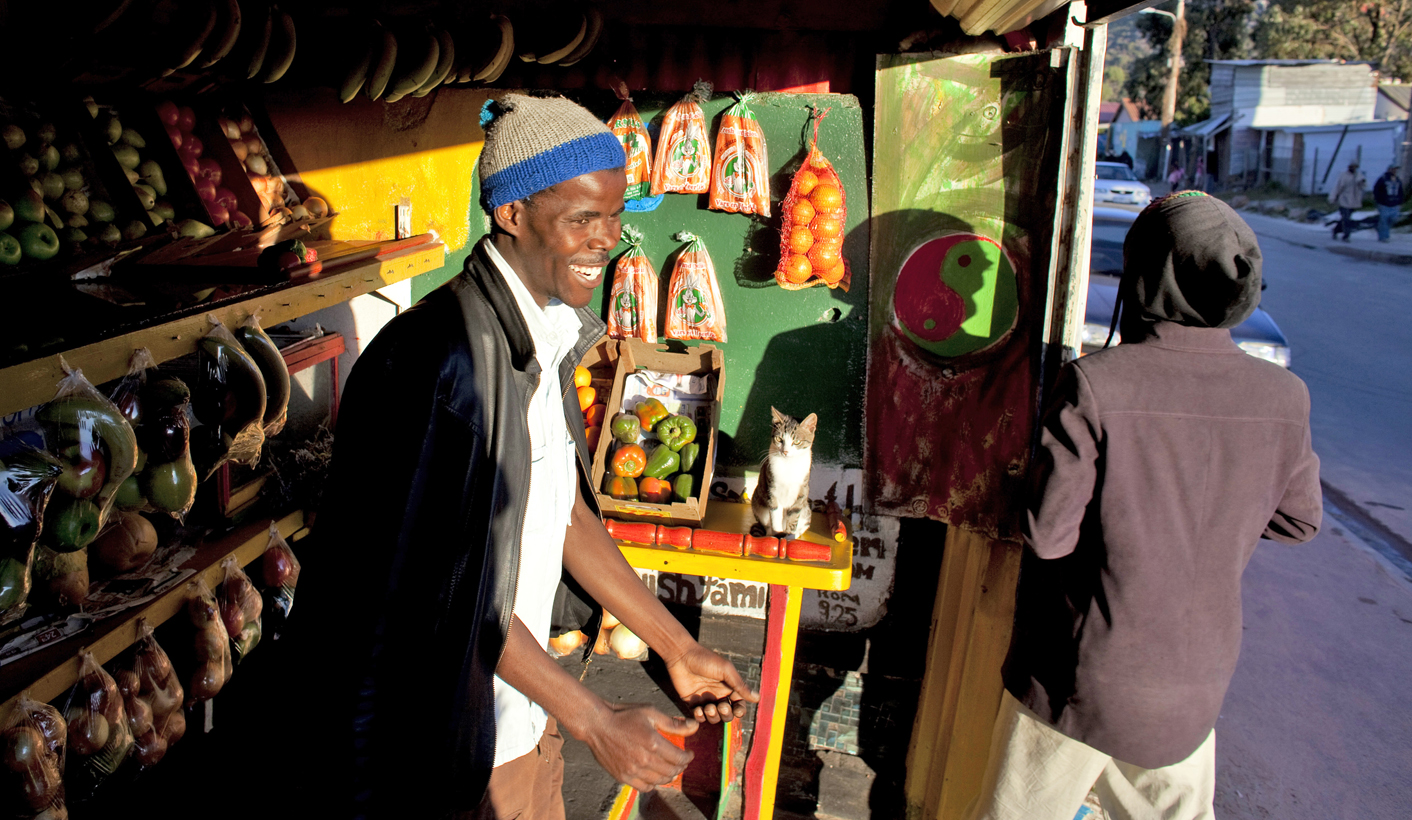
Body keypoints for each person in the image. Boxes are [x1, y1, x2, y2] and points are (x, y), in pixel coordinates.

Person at [308, 93, 757, 819]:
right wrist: (596, 721)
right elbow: (445, 589)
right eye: (581, 218)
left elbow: (563, 514)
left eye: (614, 216)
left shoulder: (540, 334)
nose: (605, 239)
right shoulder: (441, 361)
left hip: (520, 723)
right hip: (443, 751)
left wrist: (675, 645)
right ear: (511, 214)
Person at [965, 192, 1322, 820]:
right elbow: (1298, 520)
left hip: (1078, 682)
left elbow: (1048, 535)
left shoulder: (1099, 383)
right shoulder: (1284, 397)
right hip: (1193, 692)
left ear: (1144, 275)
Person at [1329, 161, 1366, 241]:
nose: (1353, 168)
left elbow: (1363, 186)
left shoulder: (1359, 175)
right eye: (1352, 166)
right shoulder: (1343, 175)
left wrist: (1362, 182)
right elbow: (1337, 187)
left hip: (1353, 201)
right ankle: (1346, 236)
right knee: (1346, 219)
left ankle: (1336, 230)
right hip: (1344, 200)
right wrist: (1333, 197)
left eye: (1355, 167)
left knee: (1346, 219)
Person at [1373, 163, 1404, 243]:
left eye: (1396, 169)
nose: (1395, 171)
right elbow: (1376, 190)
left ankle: (1380, 228)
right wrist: (1379, 201)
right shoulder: (1383, 179)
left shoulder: (1397, 179)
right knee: (1384, 221)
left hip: (1395, 204)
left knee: (1394, 219)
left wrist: (1400, 201)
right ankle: (1384, 237)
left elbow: (1400, 191)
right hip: (1384, 204)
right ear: (1389, 169)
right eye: (1393, 169)